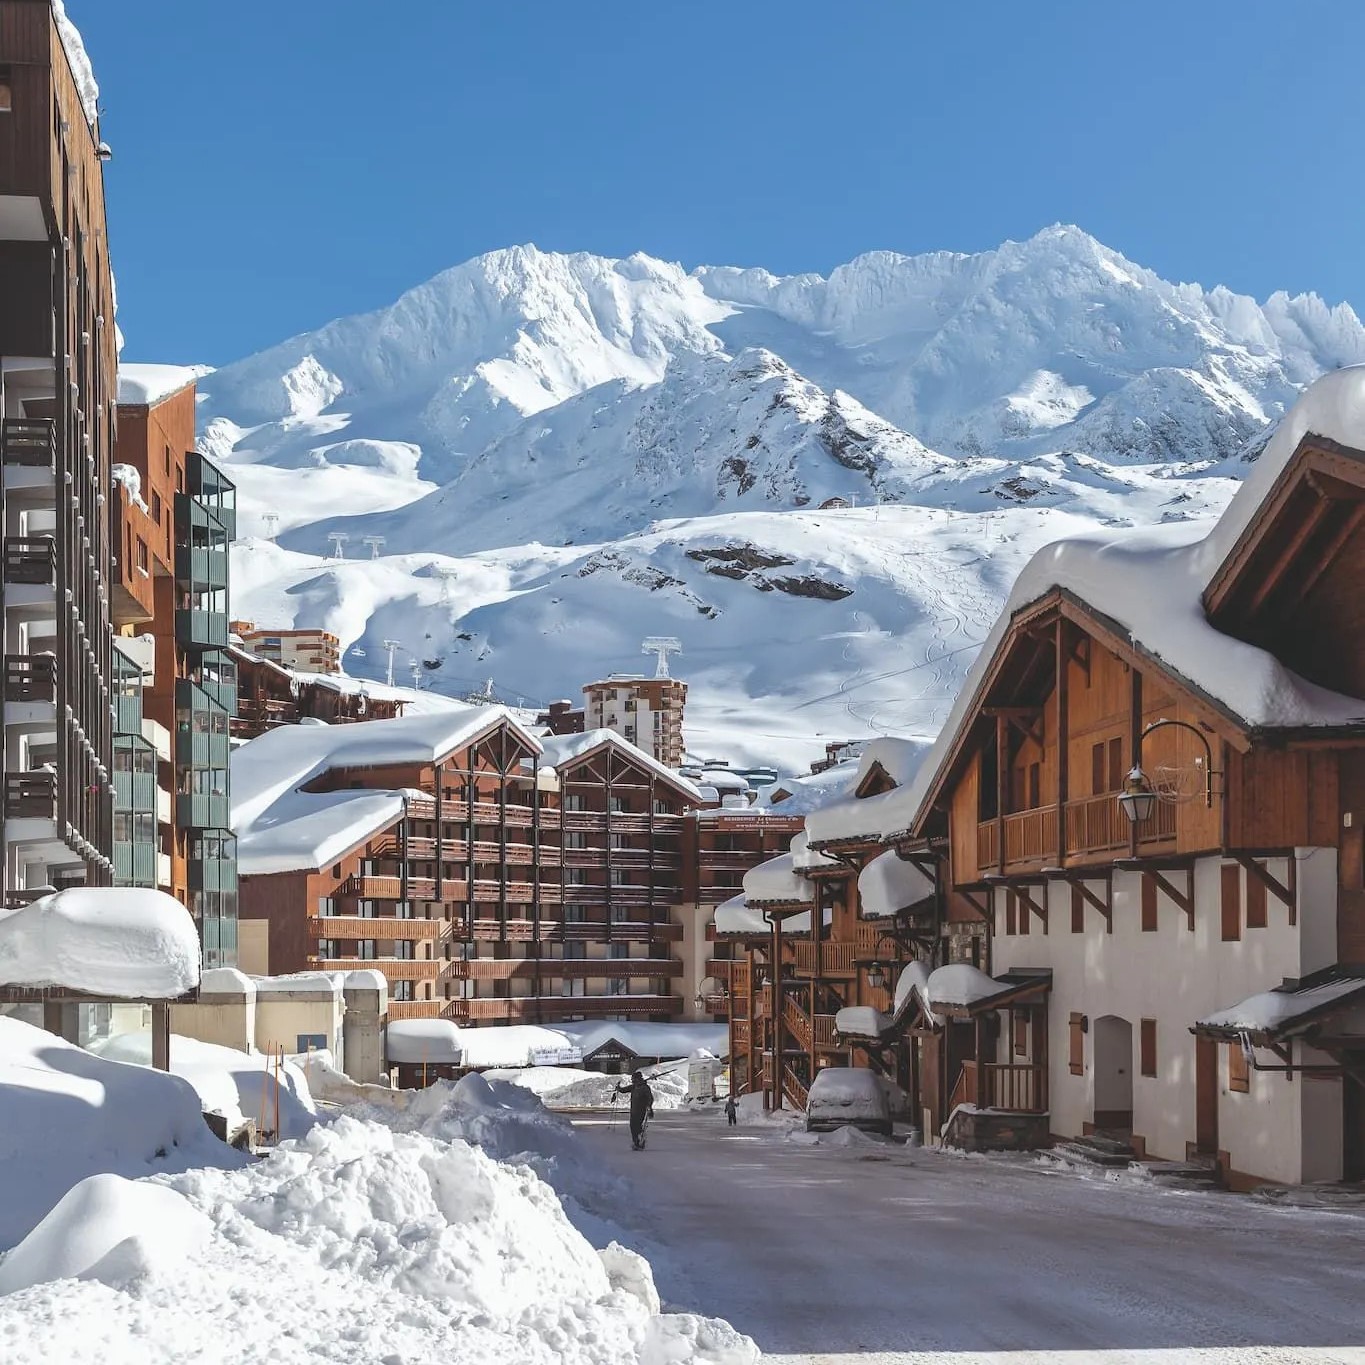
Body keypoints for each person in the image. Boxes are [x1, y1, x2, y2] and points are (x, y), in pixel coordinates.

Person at [615, 1070, 655, 1149]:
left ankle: (639, 1141)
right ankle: (636, 1142)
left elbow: (650, 1098)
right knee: (633, 1126)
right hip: (633, 1110)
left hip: (641, 1110)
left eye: (633, 1079)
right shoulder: (634, 1086)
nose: (632, 1080)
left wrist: (649, 1106)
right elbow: (624, 1090)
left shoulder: (644, 1087)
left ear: (637, 1079)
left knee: (637, 1126)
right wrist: (618, 1088)